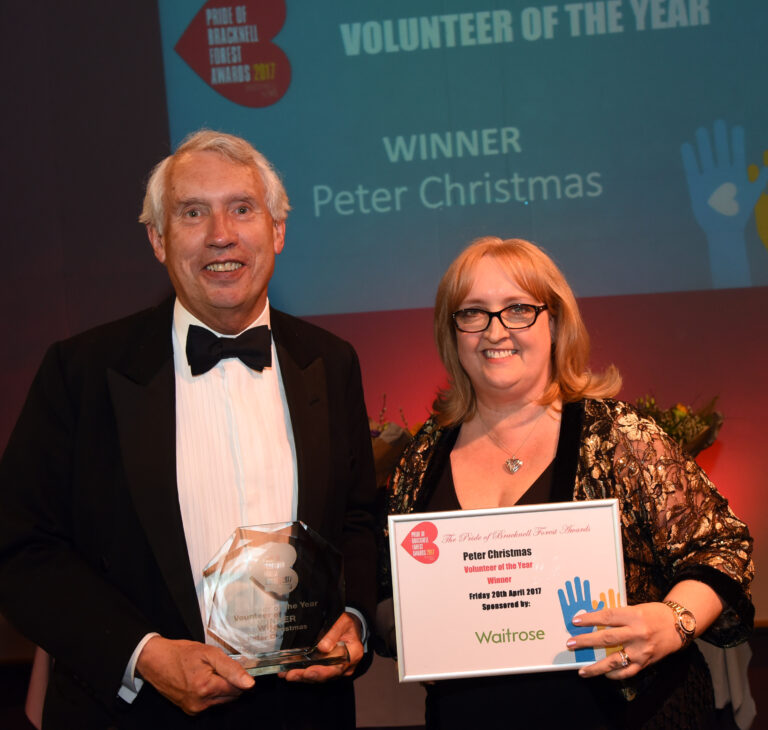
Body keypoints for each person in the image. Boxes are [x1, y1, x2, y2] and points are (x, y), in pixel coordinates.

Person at [0, 130, 378, 729]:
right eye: (193, 213)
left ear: (278, 231)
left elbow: (356, 520)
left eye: (242, 209)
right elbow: (20, 548)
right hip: (138, 714)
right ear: (158, 239)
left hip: (304, 710)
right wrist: (144, 655)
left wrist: (353, 617)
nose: (221, 234)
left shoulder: (330, 362)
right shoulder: (82, 373)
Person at [378, 237, 753, 729]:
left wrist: (671, 622)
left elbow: (722, 547)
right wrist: (410, 629)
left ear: (554, 323)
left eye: (518, 309)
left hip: (630, 717)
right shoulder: (425, 452)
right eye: (473, 312)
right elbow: (388, 585)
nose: (495, 330)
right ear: (453, 332)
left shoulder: (619, 436)